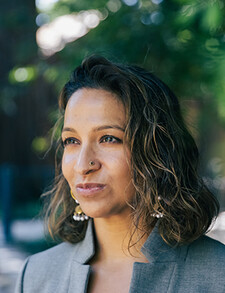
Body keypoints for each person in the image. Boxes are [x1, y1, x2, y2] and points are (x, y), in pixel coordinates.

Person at [15, 55, 225, 293]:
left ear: (156, 152)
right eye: (71, 140)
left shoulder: (218, 274)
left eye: (108, 139)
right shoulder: (35, 275)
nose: (83, 165)